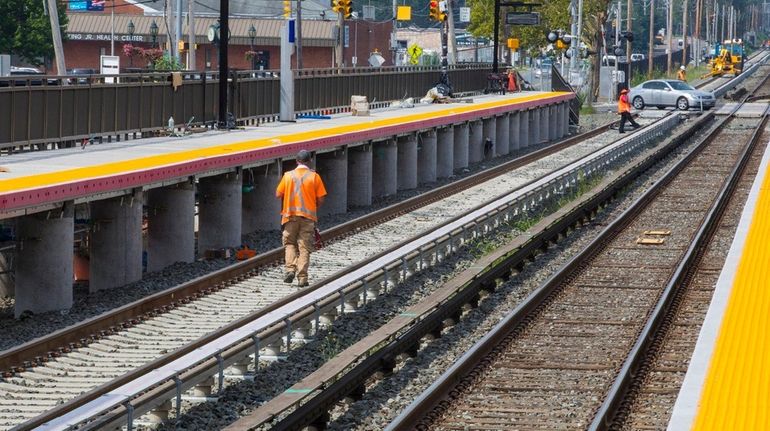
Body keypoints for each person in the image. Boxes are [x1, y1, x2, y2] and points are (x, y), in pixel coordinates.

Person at [275, 150, 327, 287]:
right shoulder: (314, 177)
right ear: (309, 161)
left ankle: (290, 269)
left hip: (290, 217)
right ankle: (302, 277)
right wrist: (314, 206)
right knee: (304, 247)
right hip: (308, 218)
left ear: (296, 161)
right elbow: (321, 198)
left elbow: (278, 194)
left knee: (290, 243)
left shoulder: (288, 176)